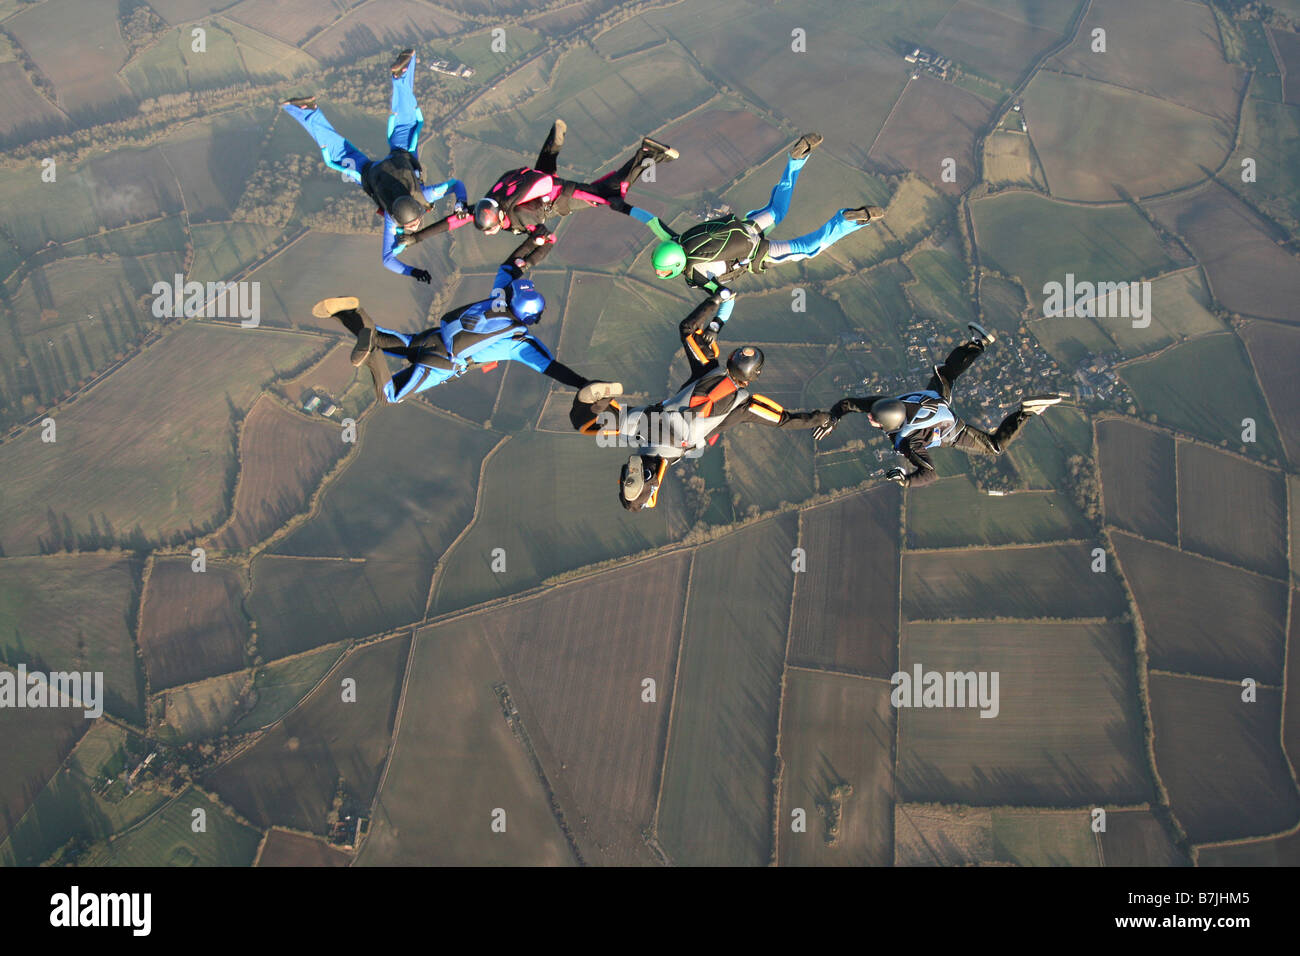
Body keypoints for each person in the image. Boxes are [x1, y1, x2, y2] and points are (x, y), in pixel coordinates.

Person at [571, 296, 829, 511]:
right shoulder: (747, 405)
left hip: (652, 417)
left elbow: (686, 328)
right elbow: (785, 419)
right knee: (638, 503)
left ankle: (602, 403)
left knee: (584, 424)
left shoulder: (707, 367)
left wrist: (714, 300)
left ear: (730, 358)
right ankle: (644, 480)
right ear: (754, 377)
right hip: (671, 444)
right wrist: (823, 418)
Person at [636, 133, 884, 327]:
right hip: (746, 226)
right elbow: (650, 219)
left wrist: (715, 326)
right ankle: (797, 159)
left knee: (808, 249)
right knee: (778, 208)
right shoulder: (675, 239)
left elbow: (727, 296)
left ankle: (847, 221)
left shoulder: (698, 276)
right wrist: (616, 204)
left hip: (758, 251)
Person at [313, 240, 590, 405]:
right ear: (530, 317)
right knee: (390, 395)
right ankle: (369, 354)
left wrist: (537, 243)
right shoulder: (519, 341)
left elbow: (511, 265)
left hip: (431, 337)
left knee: (383, 338)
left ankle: (351, 311)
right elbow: (553, 368)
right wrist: (584, 385)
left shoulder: (500, 296)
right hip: (442, 363)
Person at [283, 49, 469, 281]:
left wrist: (461, 203)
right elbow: (388, 260)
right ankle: (305, 111)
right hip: (369, 172)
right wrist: (412, 270)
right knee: (339, 153)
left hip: (395, 159)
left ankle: (402, 75)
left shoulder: (423, 196)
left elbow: (456, 184)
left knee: (406, 122)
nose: (414, 227)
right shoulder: (394, 217)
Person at [813, 322, 1069, 488]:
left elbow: (930, 474)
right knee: (947, 373)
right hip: (936, 401)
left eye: (874, 420)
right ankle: (978, 344)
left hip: (953, 431)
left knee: (994, 447)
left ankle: (1025, 412)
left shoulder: (907, 442)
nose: (871, 419)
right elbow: (850, 404)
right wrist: (834, 416)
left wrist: (906, 481)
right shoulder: (885, 405)